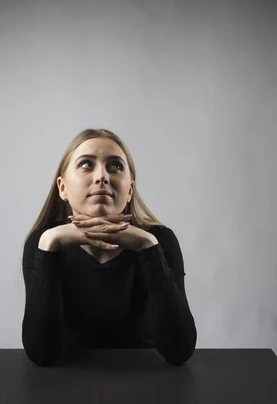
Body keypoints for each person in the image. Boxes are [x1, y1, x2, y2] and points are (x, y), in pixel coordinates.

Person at [22, 128, 197, 367]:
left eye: (115, 166)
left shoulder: (160, 240)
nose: (102, 176)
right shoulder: (43, 242)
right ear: (62, 188)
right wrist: (49, 245)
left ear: (130, 191)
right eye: (86, 164)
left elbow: (180, 351)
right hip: (67, 387)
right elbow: (40, 353)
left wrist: (147, 246)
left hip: (147, 384)